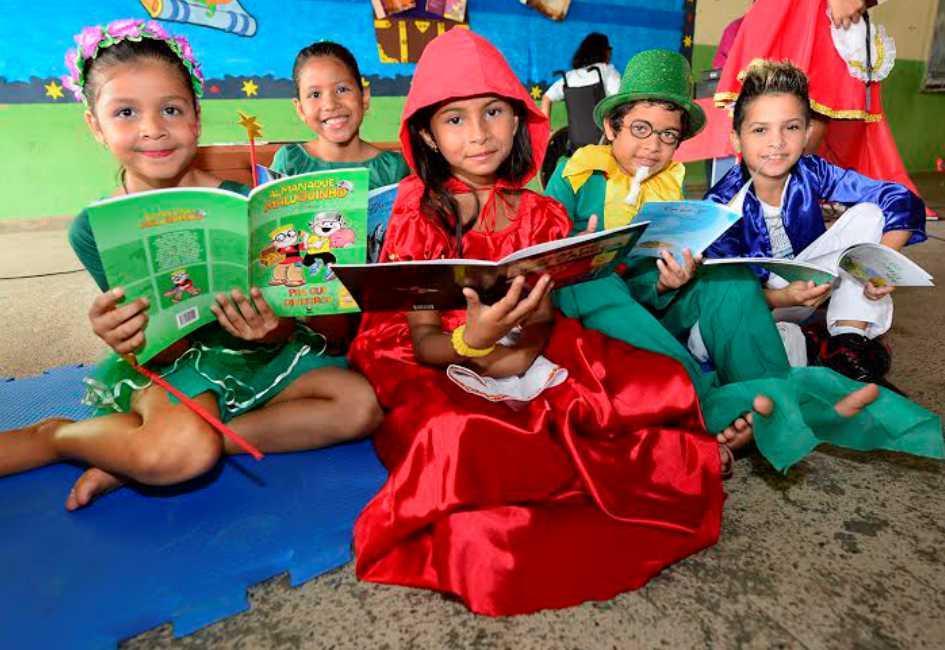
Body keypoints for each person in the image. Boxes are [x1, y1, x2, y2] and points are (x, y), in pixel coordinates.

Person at [348, 29, 743, 617]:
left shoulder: (542, 212)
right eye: (454, 120)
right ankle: (613, 469)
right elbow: (424, 339)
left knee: (642, 381)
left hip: (525, 342)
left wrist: (521, 348)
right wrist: (473, 344)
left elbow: (546, 311)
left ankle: (681, 456)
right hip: (424, 350)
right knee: (456, 436)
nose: (478, 133)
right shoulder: (416, 209)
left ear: (517, 119)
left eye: (492, 112)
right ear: (428, 133)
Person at [0, 20, 381, 510]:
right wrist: (124, 336)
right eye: (125, 112)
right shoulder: (95, 228)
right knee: (181, 453)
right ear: (95, 125)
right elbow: (163, 351)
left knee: (359, 406)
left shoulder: (249, 204)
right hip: (176, 365)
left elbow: (287, 320)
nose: (152, 128)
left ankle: (172, 447)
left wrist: (269, 328)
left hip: (258, 358)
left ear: (197, 118)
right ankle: (59, 436)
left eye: (172, 109)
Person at [544, 50, 941, 470]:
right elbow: (542, 244)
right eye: (640, 129)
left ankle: (769, 400)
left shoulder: (671, 192)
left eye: (668, 136)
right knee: (600, 284)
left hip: (652, 307)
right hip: (587, 302)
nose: (652, 146)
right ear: (611, 126)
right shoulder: (577, 173)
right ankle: (720, 406)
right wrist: (578, 247)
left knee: (731, 282)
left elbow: (650, 283)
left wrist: (667, 281)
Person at [705, 59, 928, 383]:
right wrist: (784, 298)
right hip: (768, 301)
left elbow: (900, 198)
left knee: (869, 214)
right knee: (733, 332)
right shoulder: (721, 204)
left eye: (791, 127)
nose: (776, 142)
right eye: (760, 130)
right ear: (737, 139)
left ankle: (848, 346)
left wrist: (879, 266)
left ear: (807, 132)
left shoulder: (811, 171)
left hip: (819, 280)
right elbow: (723, 292)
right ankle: (814, 345)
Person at [713, 0, 931, 215]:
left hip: (815, 13)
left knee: (813, 107)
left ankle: (786, 203)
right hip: (789, 11)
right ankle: (766, 205)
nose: (777, 142)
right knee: (770, 103)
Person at [271, 41, 410, 190]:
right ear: (301, 110)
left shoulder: (392, 168)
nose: (330, 104)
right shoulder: (290, 161)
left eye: (342, 89)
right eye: (315, 94)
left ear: (364, 98)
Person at [540, 32, 620, 119]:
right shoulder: (608, 71)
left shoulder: (570, 76)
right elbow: (619, 100)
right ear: (604, 52)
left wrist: (547, 130)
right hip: (603, 130)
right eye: (609, 49)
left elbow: (546, 98)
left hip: (574, 132)